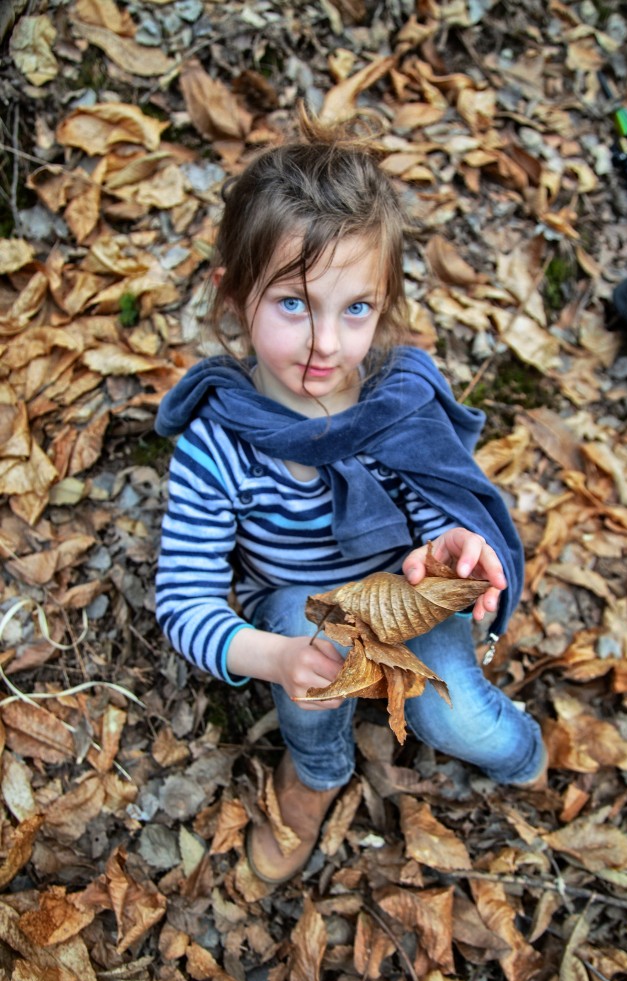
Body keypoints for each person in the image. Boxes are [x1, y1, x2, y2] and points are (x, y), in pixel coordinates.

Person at [154, 110, 547, 886]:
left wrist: (449, 551)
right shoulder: (219, 441)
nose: (325, 344)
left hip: (405, 591)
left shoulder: (397, 403)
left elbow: (448, 504)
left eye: (355, 308)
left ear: (383, 301)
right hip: (301, 602)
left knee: (455, 717)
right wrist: (275, 657)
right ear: (233, 297)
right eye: (293, 304)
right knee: (311, 679)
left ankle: (524, 751)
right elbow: (183, 597)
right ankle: (318, 773)